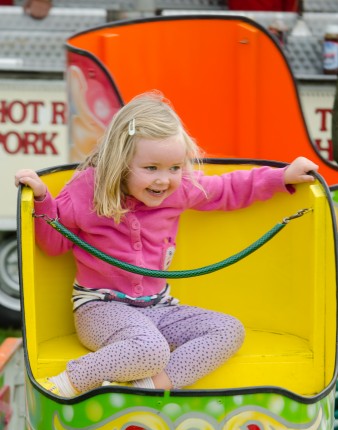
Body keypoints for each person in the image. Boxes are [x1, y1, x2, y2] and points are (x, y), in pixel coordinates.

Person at [15, 91, 318, 398]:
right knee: (150, 350)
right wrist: (42, 200)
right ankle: (67, 383)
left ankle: (149, 388)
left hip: (159, 309)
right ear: (121, 162)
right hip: (101, 309)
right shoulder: (86, 191)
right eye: (151, 168)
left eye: (174, 168)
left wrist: (282, 178)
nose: (164, 180)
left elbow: (229, 188)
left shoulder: (179, 190)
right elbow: (53, 245)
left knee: (228, 330)